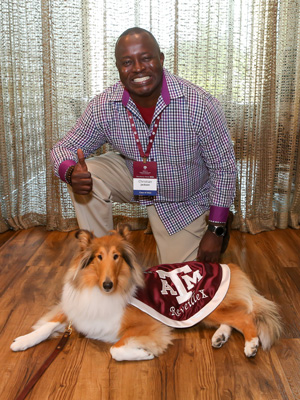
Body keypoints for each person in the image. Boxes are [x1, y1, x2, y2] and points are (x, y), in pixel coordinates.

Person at [50, 27, 236, 265]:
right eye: (127, 62)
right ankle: (102, 258)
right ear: (118, 68)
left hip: (184, 199)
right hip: (134, 177)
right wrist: (69, 171)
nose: (137, 68)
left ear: (161, 59)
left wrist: (216, 229)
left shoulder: (199, 105)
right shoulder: (104, 106)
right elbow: (63, 148)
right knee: (86, 175)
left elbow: (224, 168)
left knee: (178, 287)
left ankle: (217, 219)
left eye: (146, 58)